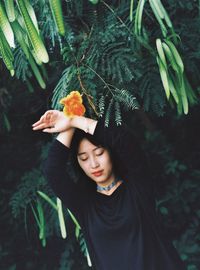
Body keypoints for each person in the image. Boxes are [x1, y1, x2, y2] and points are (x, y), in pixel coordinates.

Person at [32, 110, 185, 270]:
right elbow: (52, 171)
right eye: (84, 158)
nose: (93, 164)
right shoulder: (84, 205)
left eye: (99, 153)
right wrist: (68, 127)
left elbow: (125, 141)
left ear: (111, 152)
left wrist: (74, 119)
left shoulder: (138, 187)